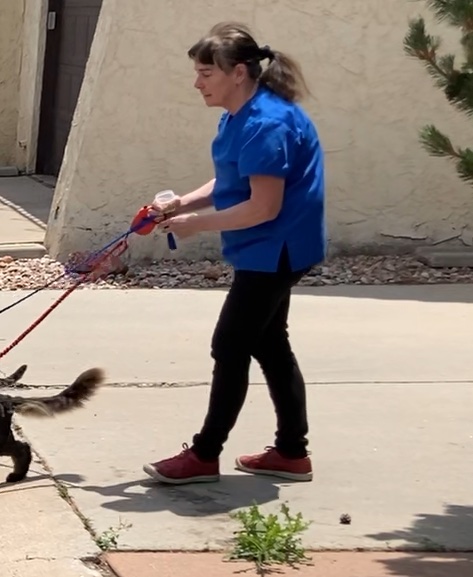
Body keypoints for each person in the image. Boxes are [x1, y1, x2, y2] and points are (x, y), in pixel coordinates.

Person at [140, 21, 326, 485]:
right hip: (268, 247)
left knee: (230, 345)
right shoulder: (240, 113)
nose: (197, 82)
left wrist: (193, 224)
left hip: (276, 249)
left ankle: (204, 456)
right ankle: (291, 453)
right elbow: (231, 183)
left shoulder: (267, 123)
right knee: (268, 343)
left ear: (238, 72)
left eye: (206, 73)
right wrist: (180, 202)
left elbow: (263, 206)